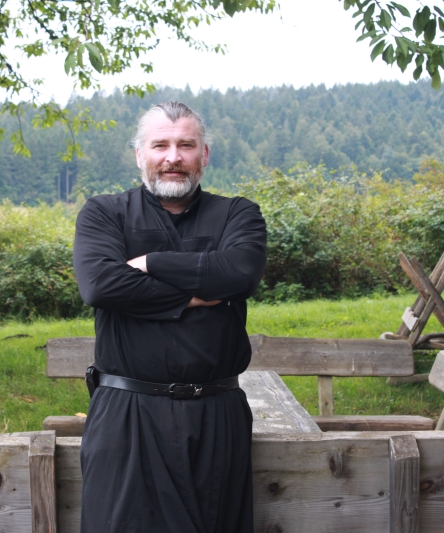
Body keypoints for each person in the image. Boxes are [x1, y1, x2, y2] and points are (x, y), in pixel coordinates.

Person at [73, 101, 267, 533]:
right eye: (160, 145)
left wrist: (149, 263)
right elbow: (101, 285)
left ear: (204, 154)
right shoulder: (105, 213)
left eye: (186, 145)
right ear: (139, 154)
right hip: (127, 415)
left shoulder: (237, 214)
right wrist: (196, 295)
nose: (173, 157)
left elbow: (240, 273)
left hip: (217, 416)